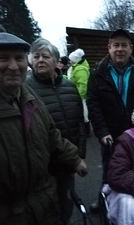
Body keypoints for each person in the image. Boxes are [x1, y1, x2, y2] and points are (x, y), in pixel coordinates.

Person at [0, 32, 87, 225]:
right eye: (3, 58)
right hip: (0, 216)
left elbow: (51, 134)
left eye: (19, 58)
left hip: (43, 208)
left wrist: (74, 158)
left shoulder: (27, 94)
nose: (13, 66)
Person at [86, 28, 134, 210]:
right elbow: (93, 105)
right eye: (116, 45)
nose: (120, 49)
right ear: (109, 48)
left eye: (124, 45)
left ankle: (131, 204)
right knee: (110, 168)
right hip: (110, 133)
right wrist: (102, 132)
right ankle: (103, 201)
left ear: (131, 48)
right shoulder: (97, 73)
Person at [27, 37, 86, 225]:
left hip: (68, 162)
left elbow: (79, 123)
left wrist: (80, 154)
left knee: (65, 203)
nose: (40, 60)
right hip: (42, 165)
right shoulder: (25, 89)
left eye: (45, 56)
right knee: (43, 209)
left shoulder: (69, 86)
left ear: (56, 61)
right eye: (36, 56)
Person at [68, 48, 91, 135]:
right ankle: (85, 130)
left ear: (75, 60)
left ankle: (86, 131)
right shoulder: (77, 67)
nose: (70, 61)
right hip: (78, 94)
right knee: (83, 113)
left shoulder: (80, 69)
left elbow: (83, 85)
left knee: (84, 113)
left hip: (81, 96)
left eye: (71, 60)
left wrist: (79, 96)